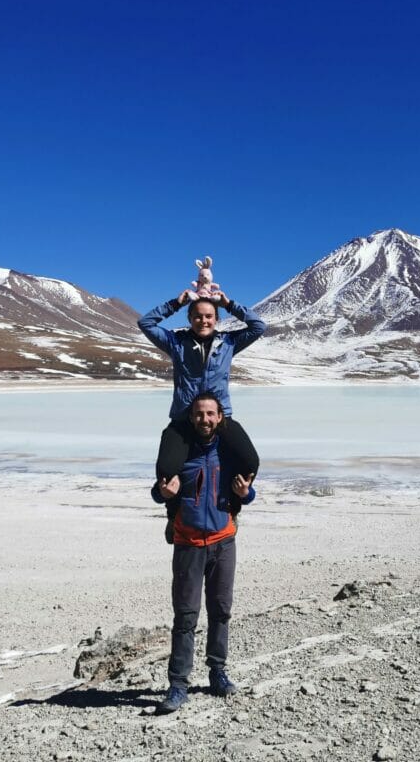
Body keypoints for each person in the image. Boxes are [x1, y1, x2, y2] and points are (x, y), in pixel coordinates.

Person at [156, 391, 255, 714]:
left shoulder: (228, 454)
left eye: (210, 414)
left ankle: (217, 672)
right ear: (192, 417)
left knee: (221, 610)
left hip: (224, 541)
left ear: (220, 418)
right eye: (199, 414)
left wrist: (247, 493)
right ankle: (178, 685)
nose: (205, 420)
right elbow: (159, 491)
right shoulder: (181, 454)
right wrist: (161, 493)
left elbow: (246, 490)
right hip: (188, 545)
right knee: (185, 617)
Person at [138, 289, 265, 511]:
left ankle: (233, 509)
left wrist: (229, 303)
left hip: (219, 416)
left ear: (217, 319)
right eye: (197, 316)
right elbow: (146, 323)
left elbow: (258, 327)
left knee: (249, 461)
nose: (203, 321)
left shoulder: (229, 342)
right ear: (189, 319)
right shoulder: (176, 342)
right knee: (168, 469)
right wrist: (176, 303)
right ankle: (173, 515)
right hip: (184, 417)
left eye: (209, 316)